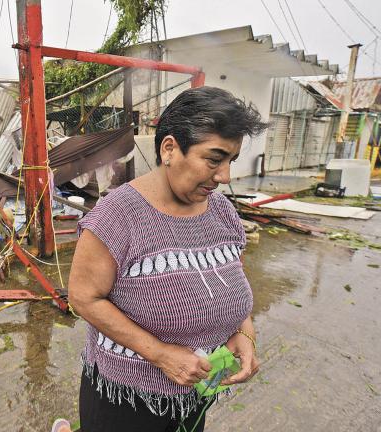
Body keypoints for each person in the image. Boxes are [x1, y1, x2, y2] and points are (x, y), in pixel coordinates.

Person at [68, 86, 268, 432]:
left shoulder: (222, 212)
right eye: (214, 158)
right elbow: (84, 297)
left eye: (230, 161)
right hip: (125, 399)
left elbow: (230, 283)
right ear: (170, 149)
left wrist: (243, 332)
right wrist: (160, 354)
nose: (225, 176)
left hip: (194, 392)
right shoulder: (117, 216)